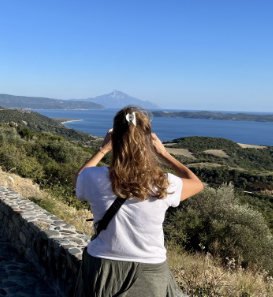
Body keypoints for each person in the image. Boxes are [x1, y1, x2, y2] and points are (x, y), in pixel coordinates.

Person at [73, 106, 204, 297]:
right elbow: (196, 184)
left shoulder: (93, 177)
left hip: (101, 265)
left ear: (114, 138)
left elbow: (79, 179)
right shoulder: (164, 182)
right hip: (150, 269)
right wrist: (164, 154)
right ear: (148, 141)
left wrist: (103, 149)